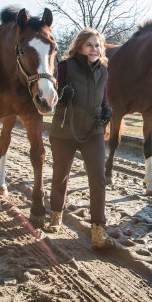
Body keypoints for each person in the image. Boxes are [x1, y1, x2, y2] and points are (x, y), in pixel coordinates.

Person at [47, 28, 114, 250]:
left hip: (93, 131)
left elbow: (103, 98)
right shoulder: (66, 66)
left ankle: (98, 229)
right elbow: (55, 93)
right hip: (65, 130)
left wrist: (107, 110)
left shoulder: (103, 70)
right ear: (79, 47)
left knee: (98, 179)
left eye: (97, 45)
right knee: (60, 176)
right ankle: (56, 215)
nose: (94, 49)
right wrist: (63, 96)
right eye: (89, 45)